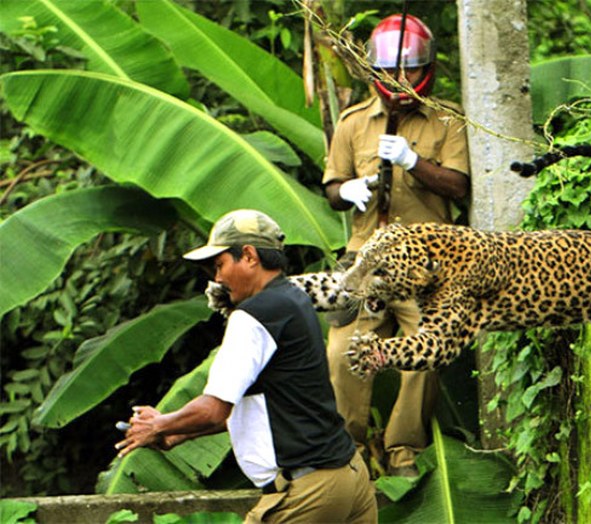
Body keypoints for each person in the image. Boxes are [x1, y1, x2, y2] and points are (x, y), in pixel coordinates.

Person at [114, 209, 377, 524]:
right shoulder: (294, 300)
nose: (218, 278)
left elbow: (214, 408)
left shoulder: (253, 316)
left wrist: (157, 425)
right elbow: (267, 409)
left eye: (220, 264)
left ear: (249, 256)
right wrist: (178, 434)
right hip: (350, 477)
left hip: (310, 491)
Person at [322, 14, 470, 476]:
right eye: (390, 71)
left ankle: (404, 449)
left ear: (426, 68)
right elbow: (331, 187)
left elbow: (458, 185)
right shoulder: (352, 124)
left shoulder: (446, 120)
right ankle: (351, 452)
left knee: (425, 351)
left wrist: (413, 163)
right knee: (343, 352)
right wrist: (347, 190)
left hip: (427, 263)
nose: (400, 79)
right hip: (365, 257)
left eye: (409, 70)